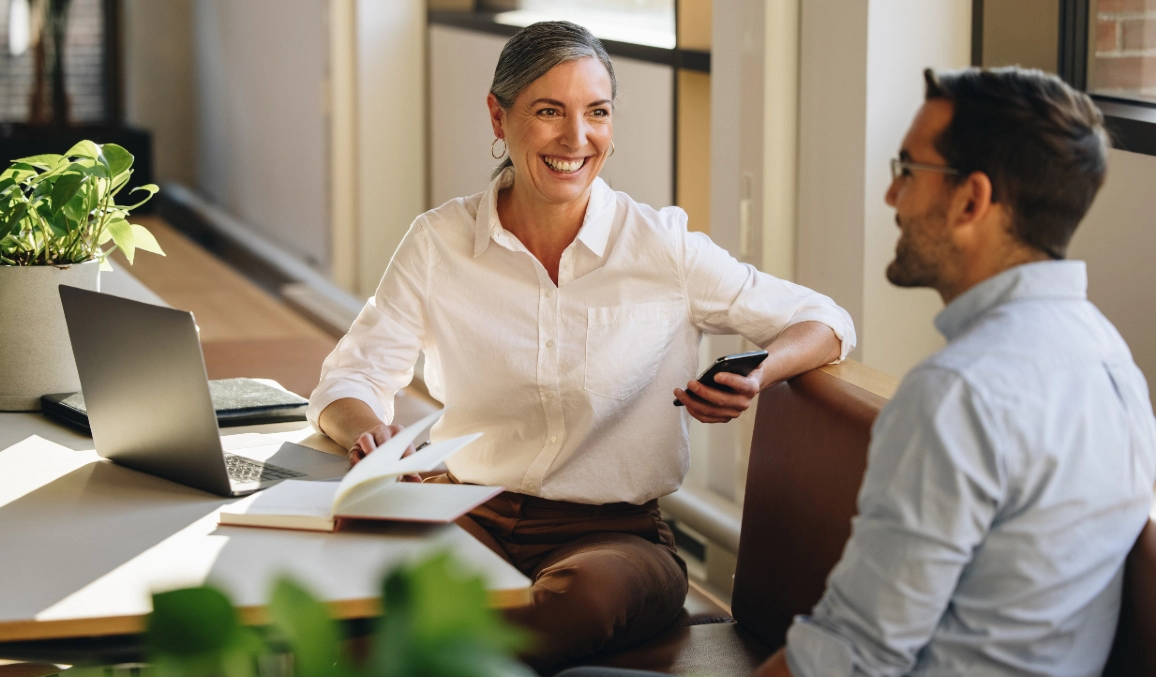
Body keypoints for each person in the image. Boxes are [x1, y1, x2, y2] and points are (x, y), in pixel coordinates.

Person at [308, 21, 854, 669]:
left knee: (581, 602)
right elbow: (350, 377)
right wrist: (366, 431)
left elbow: (825, 320)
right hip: (465, 507)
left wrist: (758, 374)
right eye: (548, 112)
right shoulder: (438, 242)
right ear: (498, 115)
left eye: (597, 113)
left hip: (614, 538)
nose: (576, 138)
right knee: (346, 574)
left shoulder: (662, 248)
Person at [751, 67, 1156, 677]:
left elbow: (849, 659)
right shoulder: (1113, 363)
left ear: (971, 200)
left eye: (908, 171)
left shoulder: (958, 392)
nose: (892, 196)